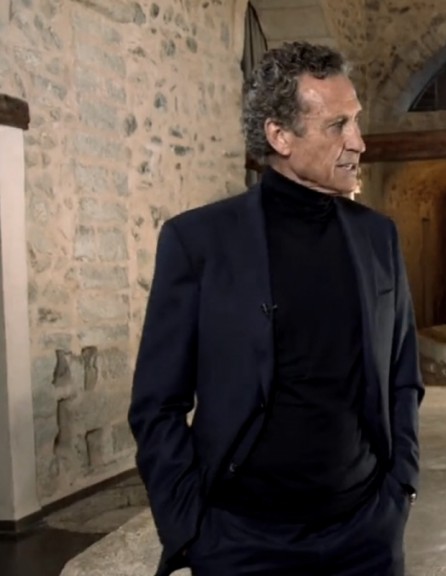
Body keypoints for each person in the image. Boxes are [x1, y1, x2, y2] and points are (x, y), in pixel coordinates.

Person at [128, 41, 424, 576]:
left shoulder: (378, 237)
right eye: (337, 126)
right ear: (279, 136)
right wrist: (190, 529)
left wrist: (399, 487)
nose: (358, 141)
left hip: (365, 536)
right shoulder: (197, 241)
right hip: (242, 542)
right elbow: (157, 404)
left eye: (356, 121)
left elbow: (403, 376)